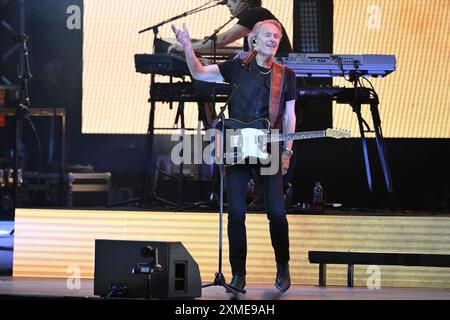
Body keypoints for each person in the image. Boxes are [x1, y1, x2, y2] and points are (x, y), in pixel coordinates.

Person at [171, 19, 296, 293]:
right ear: (254, 40)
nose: (274, 40)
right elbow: (200, 73)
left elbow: (289, 115)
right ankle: (238, 273)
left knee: (276, 211)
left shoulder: (284, 75)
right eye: (268, 35)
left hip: (269, 147)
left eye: (277, 36)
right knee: (236, 213)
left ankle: (283, 266)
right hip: (237, 147)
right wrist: (188, 46)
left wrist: (287, 150)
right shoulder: (238, 67)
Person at [168, 0, 293, 56]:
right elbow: (248, 61)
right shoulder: (254, 22)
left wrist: (185, 48)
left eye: (232, 0)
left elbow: (223, 40)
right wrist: (211, 64)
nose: (228, 4)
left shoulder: (256, 13)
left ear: (245, 1)